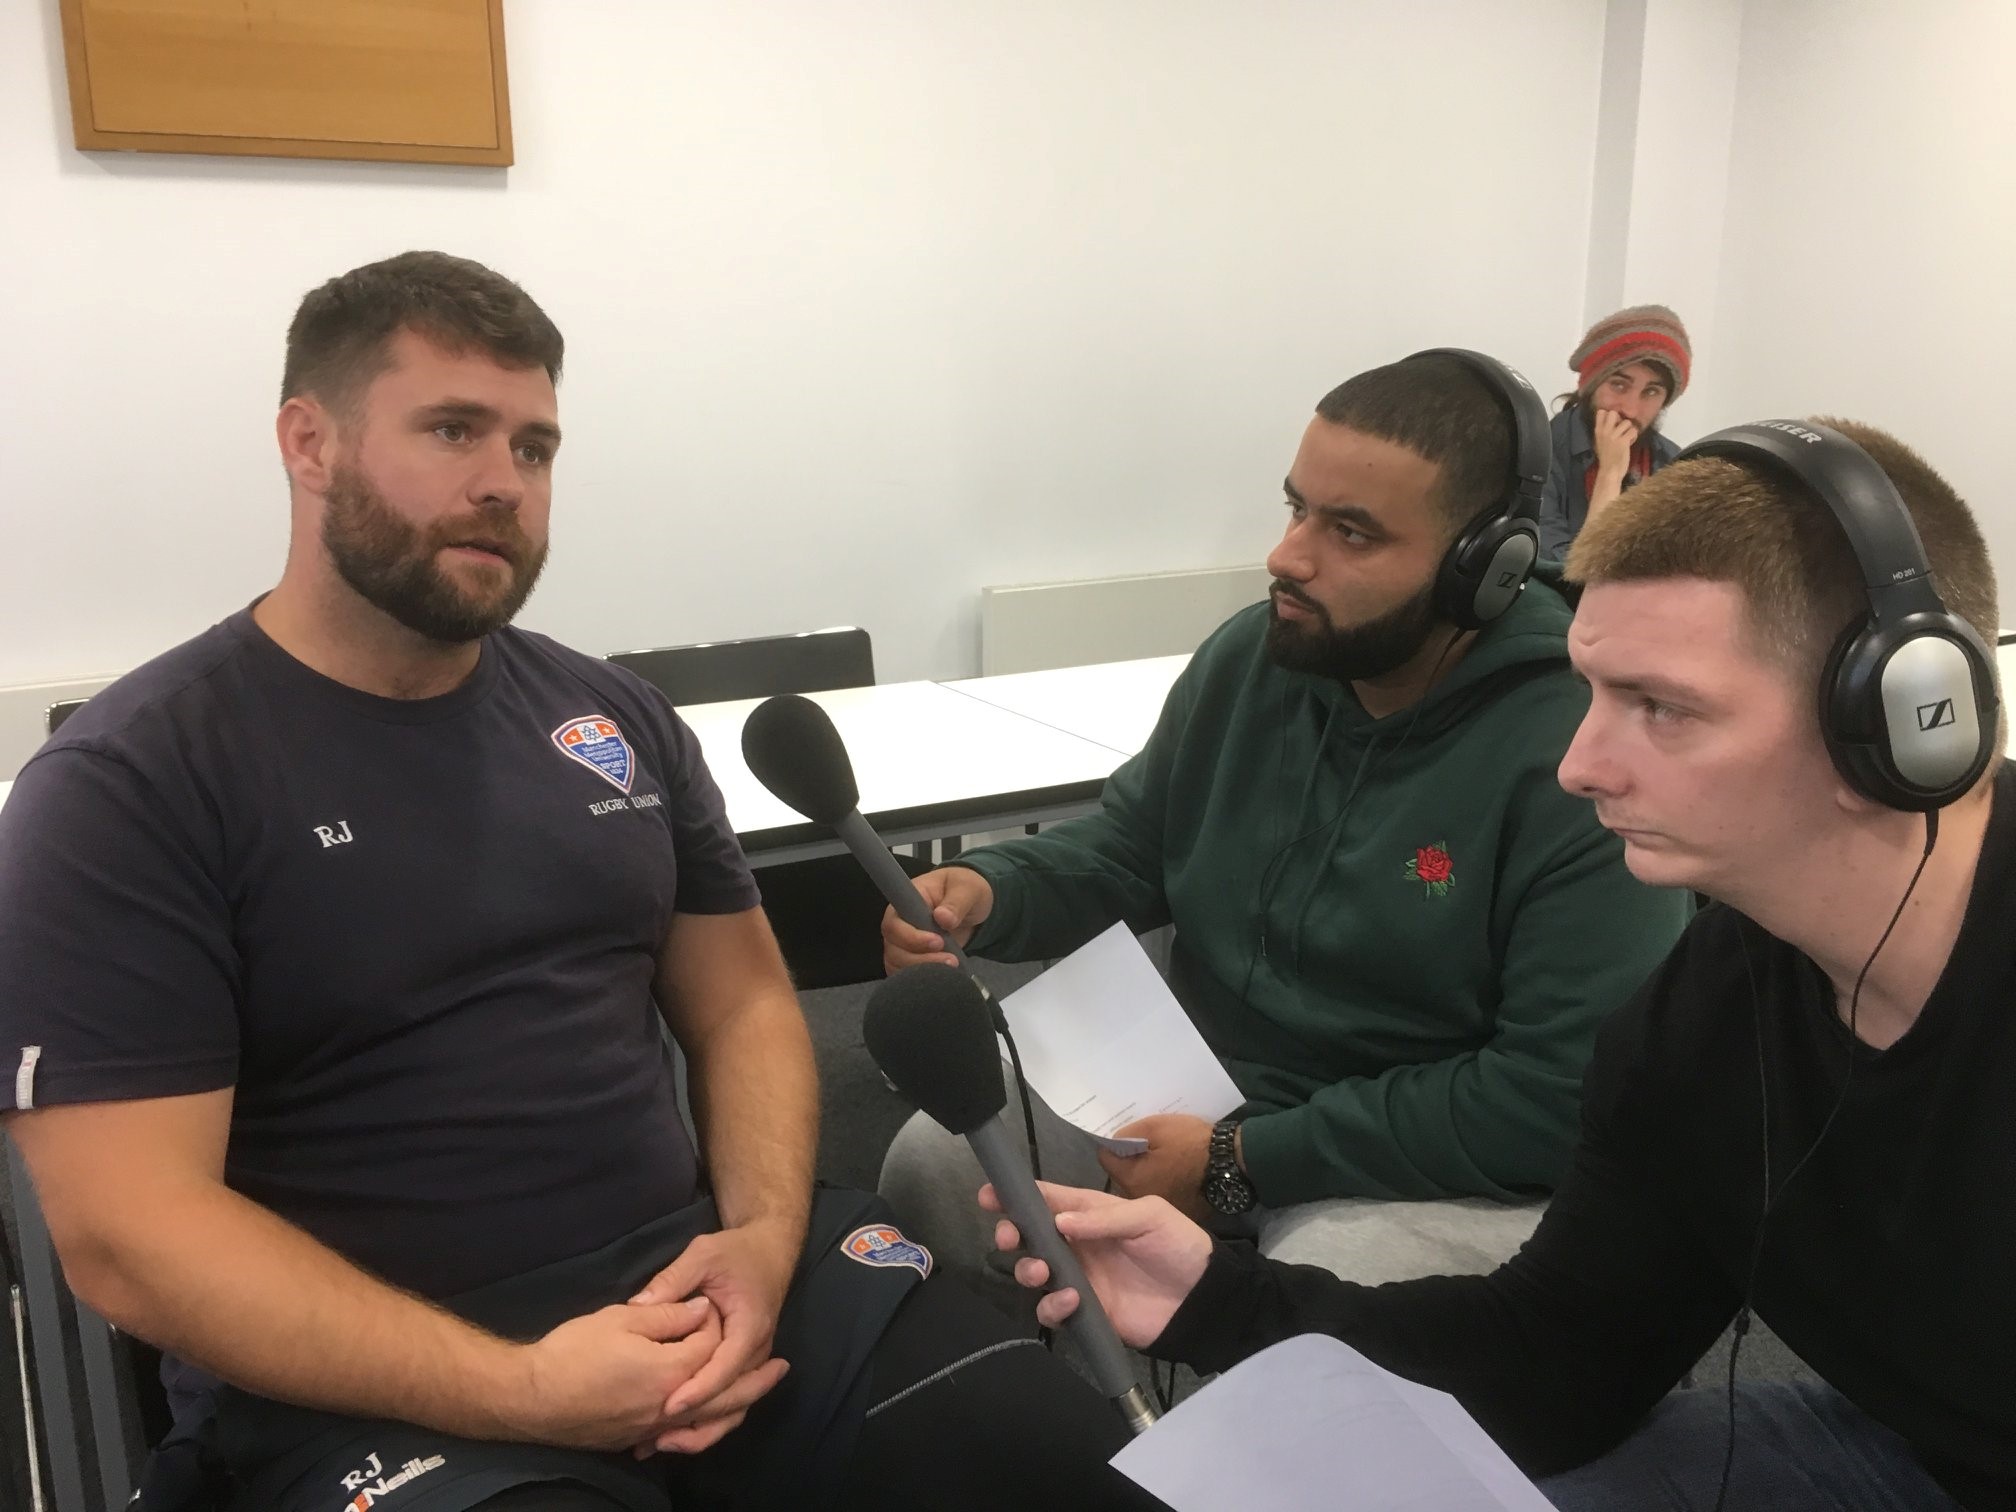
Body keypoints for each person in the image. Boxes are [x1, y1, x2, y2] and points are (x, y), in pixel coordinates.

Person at [0, 252, 1162, 1512]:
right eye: (452, 430)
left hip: (700, 1290)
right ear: (308, 441)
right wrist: (526, 1391)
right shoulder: (138, 781)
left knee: (1075, 1471)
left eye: (536, 447)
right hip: (376, 1383)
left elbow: (747, 1008)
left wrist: (762, 1250)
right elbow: (127, 1233)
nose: (503, 483)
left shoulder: (610, 718)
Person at [991, 419, 2011, 1511]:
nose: (1581, 765)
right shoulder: (1708, 1013)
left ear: (1907, 722)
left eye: (1660, 709)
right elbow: (1563, 1357)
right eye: (1594, 693)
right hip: (1911, 1446)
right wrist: (1220, 1303)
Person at [878, 352, 1693, 1302]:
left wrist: (1241, 1158)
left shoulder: (1579, 752)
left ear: (1486, 566)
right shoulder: (1259, 657)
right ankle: (1054, 1423)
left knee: (1315, 1310)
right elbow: (1139, 841)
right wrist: (996, 888)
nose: (1289, 556)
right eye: (1296, 508)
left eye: (1351, 532)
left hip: (1420, 1150)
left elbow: (1553, 1095)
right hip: (1204, 1080)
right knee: (935, 1166)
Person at [1536, 304, 1690, 561]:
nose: (1630, 409)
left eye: (1651, 392)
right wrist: (1610, 474)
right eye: (1619, 385)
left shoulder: (1674, 464)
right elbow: (1576, 575)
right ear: (1590, 385)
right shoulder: (1540, 452)